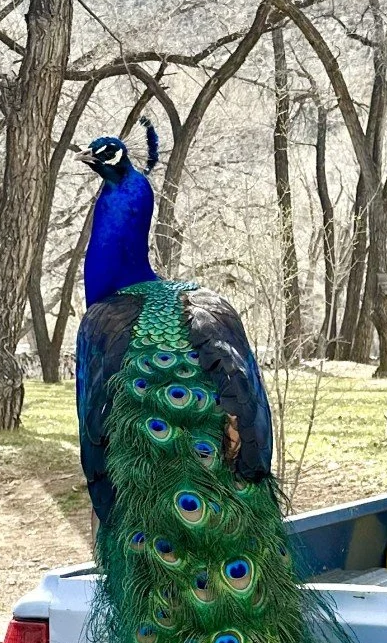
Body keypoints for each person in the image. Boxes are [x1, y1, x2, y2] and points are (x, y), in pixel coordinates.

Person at [72, 131, 274, 527]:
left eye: (104, 154)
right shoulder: (214, 308)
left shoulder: (100, 322)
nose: (92, 158)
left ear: (120, 159)